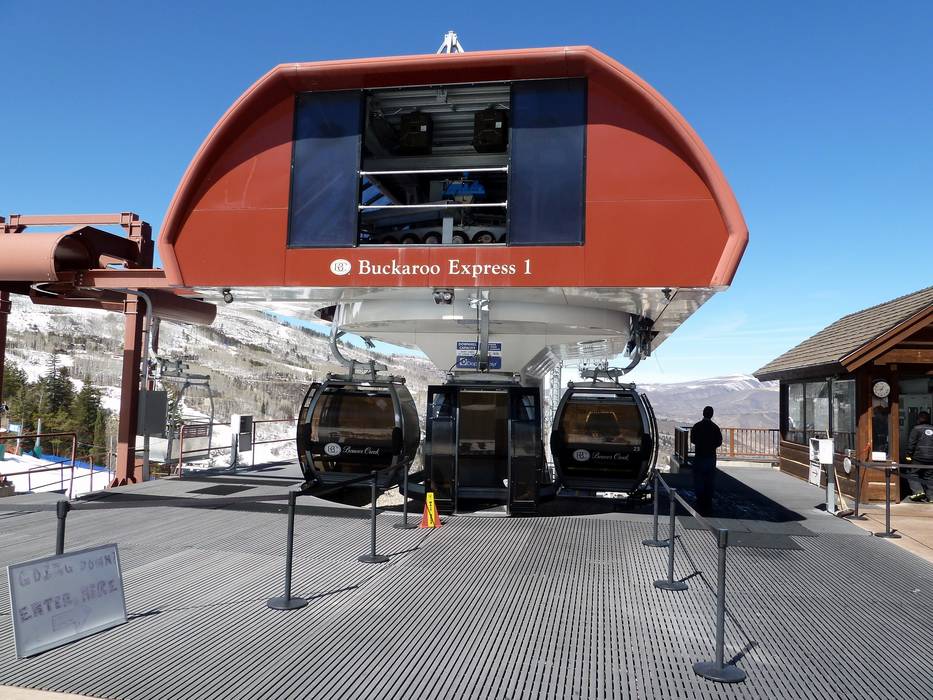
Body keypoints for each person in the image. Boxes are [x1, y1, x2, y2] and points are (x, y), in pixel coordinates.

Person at [690, 406, 723, 514]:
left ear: (703, 413)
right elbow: (719, 442)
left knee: (698, 478)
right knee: (709, 479)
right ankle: (708, 499)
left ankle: (699, 499)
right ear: (711, 415)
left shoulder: (697, 426)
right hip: (711, 456)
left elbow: (692, 439)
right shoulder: (715, 427)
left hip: (699, 455)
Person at [904, 411, 933, 502]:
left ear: (919, 419)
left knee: (911, 473)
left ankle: (918, 491)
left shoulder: (916, 429)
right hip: (931, 458)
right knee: (929, 476)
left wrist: (908, 456)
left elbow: (911, 444)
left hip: (918, 457)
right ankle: (931, 496)